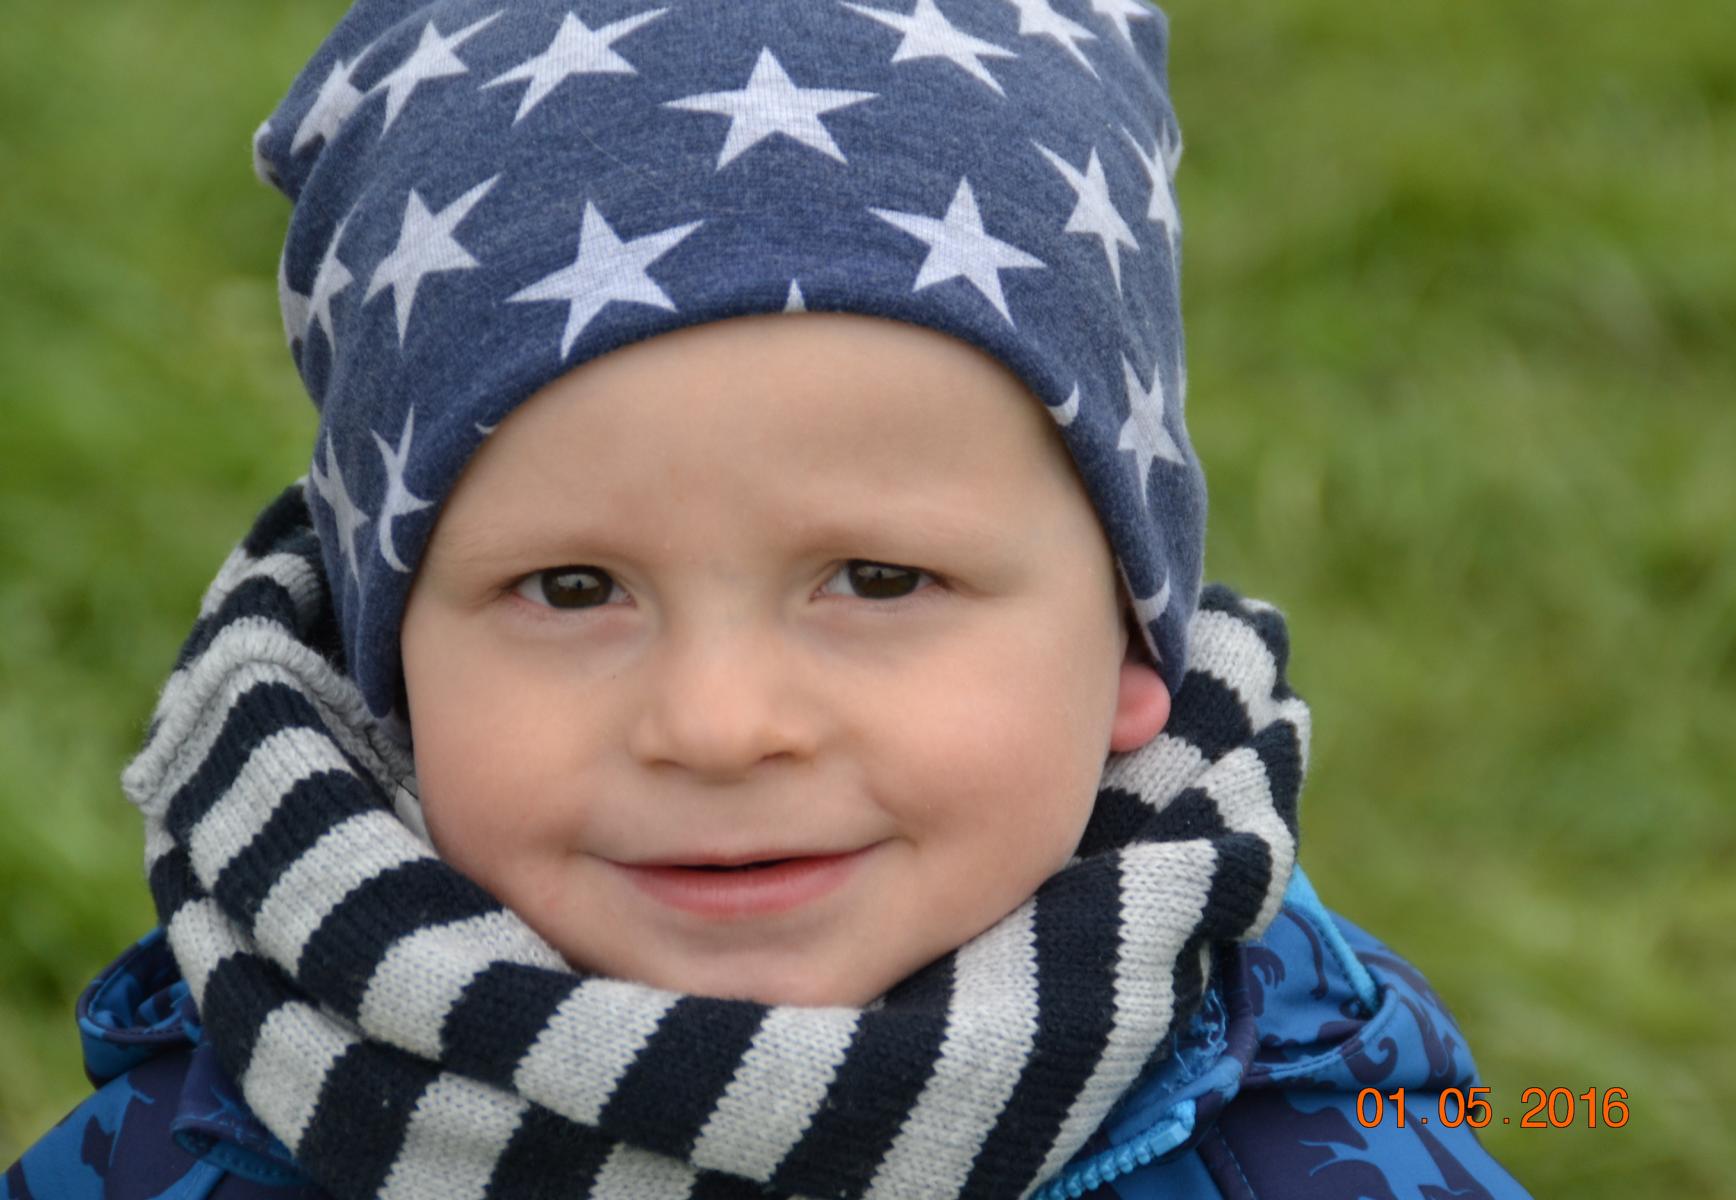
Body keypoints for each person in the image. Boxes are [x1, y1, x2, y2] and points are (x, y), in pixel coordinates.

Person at [5, 0, 1533, 1196]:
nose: (720, 725)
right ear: (385, 655)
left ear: (1136, 632)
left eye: (878, 578)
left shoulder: (1323, 1126)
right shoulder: (199, 1148)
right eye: (572, 588)